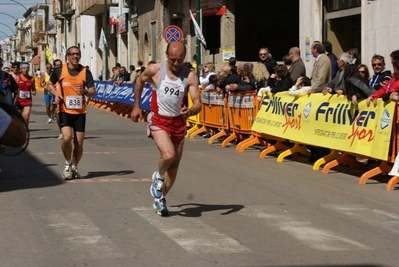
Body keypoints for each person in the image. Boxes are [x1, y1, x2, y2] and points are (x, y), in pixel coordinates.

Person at [130, 42, 201, 216]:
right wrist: (136, 106)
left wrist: (191, 110)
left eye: (180, 60)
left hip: (178, 123)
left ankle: (160, 198)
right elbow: (139, 81)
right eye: (173, 60)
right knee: (169, 154)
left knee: (174, 167)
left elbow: (198, 102)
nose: (176, 64)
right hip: (159, 120)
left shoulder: (189, 75)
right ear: (166, 55)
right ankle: (158, 176)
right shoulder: (155, 70)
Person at [47, 46, 96, 180]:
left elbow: (93, 91)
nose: (75, 56)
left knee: (79, 143)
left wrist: (85, 92)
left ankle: (74, 166)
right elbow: (49, 85)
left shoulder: (85, 71)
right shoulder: (59, 70)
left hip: (80, 112)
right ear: (68, 56)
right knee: (67, 138)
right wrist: (55, 94)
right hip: (64, 110)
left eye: (78, 54)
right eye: (73, 54)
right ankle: (67, 163)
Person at [53, 59, 63, 140]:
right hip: (56, 98)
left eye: (60, 65)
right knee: (58, 116)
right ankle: (61, 132)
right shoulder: (53, 76)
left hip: (65, 98)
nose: (58, 67)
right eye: (57, 65)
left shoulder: (65, 74)